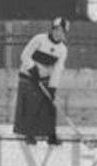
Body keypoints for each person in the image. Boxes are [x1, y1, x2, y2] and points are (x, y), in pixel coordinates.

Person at [13, 17, 69, 145]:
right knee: (31, 103)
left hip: (44, 80)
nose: (58, 33)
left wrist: (53, 87)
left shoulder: (62, 50)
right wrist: (32, 69)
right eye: (56, 30)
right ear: (52, 29)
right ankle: (29, 134)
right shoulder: (39, 39)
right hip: (28, 77)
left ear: (65, 34)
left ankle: (51, 135)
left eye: (61, 31)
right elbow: (25, 55)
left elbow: (57, 70)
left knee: (49, 105)